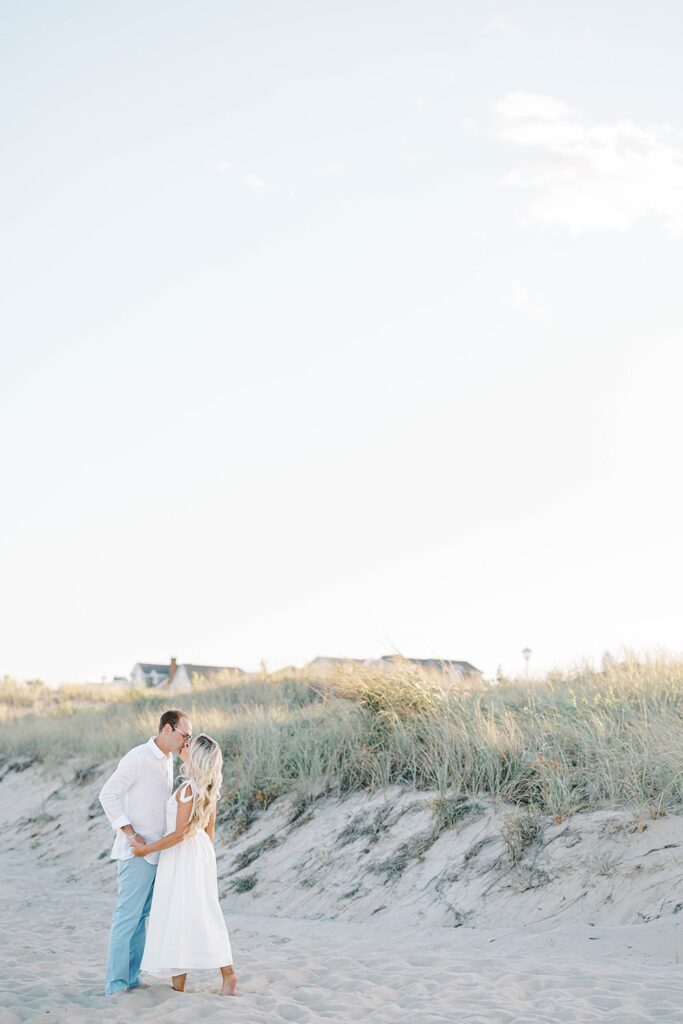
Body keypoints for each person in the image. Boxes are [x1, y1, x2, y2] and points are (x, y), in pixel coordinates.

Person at [132, 733, 237, 997]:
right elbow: (209, 829)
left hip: (183, 854)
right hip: (199, 853)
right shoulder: (206, 787)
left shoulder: (190, 789)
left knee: (182, 913)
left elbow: (179, 834)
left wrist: (145, 849)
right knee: (194, 913)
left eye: (189, 745)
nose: (184, 745)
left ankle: (223, 974)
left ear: (196, 756)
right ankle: (200, 979)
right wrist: (205, 862)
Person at [98, 708, 192, 996]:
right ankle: (115, 984)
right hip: (136, 852)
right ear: (167, 729)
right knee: (127, 917)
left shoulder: (167, 761)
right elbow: (108, 794)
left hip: (156, 852)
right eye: (184, 735)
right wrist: (129, 832)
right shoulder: (138, 757)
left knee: (141, 918)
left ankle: (132, 978)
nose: (186, 742)